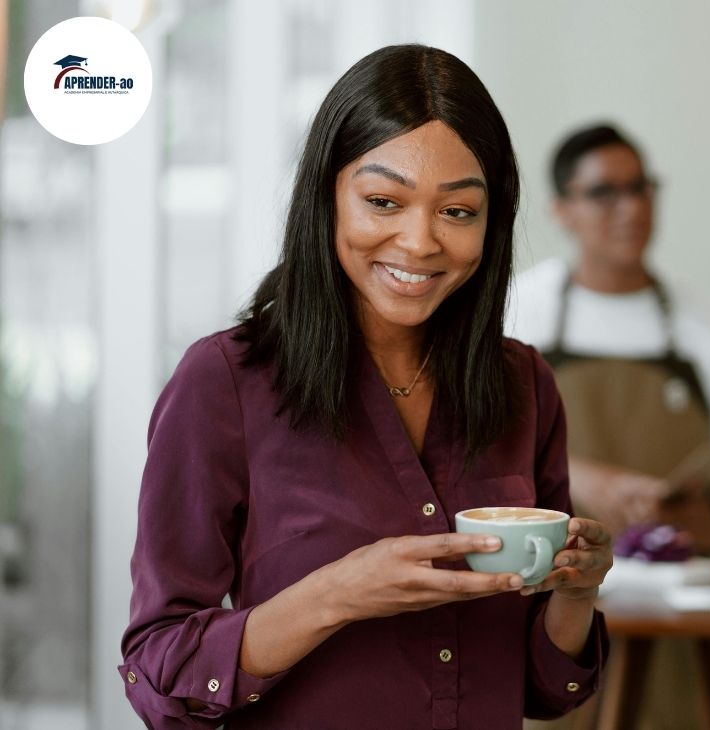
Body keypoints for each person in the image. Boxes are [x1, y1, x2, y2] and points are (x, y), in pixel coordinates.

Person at [119, 45, 611, 730]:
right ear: (327, 196)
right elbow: (158, 673)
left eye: (458, 213)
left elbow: (544, 688)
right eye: (383, 201)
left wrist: (577, 595)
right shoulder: (224, 384)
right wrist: (334, 595)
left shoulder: (524, 385)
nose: (418, 243)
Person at [506, 123, 710, 727]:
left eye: (641, 188)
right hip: (550, 619)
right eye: (605, 192)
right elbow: (467, 456)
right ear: (562, 210)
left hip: (679, 624)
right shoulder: (516, 313)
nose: (630, 207)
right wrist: (580, 477)